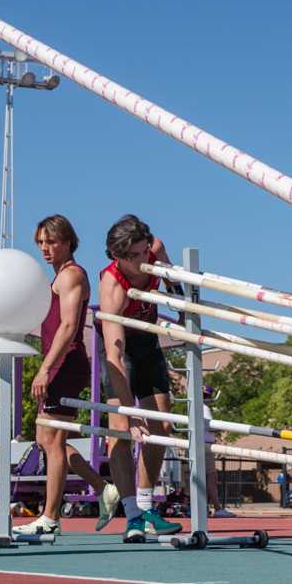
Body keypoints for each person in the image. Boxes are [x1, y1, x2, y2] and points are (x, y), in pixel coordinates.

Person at [97, 215, 182, 538]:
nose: (142, 261)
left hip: (148, 343)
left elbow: (175, 287)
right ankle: (131, 512)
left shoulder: (155, 250)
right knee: (120, 430)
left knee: (162, 425)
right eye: (133, 257)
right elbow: (114, 355)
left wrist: (184, 310)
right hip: (122, 351)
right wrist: (130, 415)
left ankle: (147, 506)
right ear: (117, 256)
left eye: (144, 252)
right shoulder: (113, 286)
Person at [21, 215, 105, 537]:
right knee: (47, 440)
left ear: (68, 241)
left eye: (51, 241)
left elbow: (69, 327)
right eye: (41, 242)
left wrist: (45, 368)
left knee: (53, 441)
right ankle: (102, 488)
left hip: (66, 364)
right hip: (58, 363)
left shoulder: (71, 275)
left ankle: (50, 517)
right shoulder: (57, 276)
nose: (45, 248)